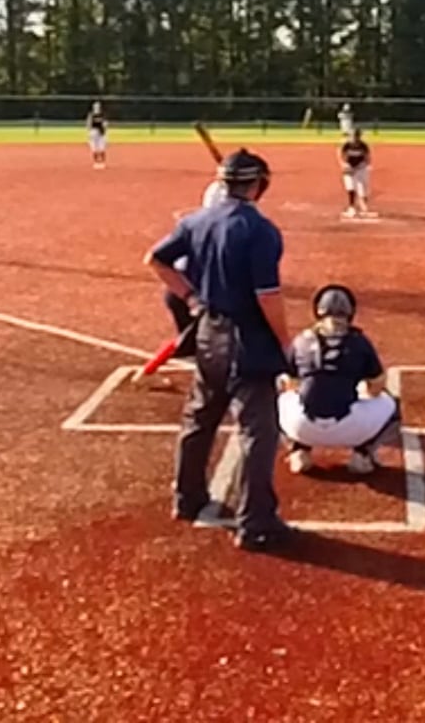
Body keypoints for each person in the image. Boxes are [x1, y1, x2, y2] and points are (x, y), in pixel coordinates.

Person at [145, 149, 295, 551]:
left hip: (208, 332)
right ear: (258, 184)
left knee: (199, 418)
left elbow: (156, 260)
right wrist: (284, 342)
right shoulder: (260, 230)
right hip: (249, 338)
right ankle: (256, 522)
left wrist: (192, 298)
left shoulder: (195, 221)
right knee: (258, 431)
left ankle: (187, 498)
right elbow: (267, 295)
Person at [279, 285, 400, 476]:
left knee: (273, 395)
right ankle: (363, 454)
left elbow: (290, 384)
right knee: (393, 406)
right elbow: (376, 387)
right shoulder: (359, 342)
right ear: (350, 313)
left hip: (302, 426)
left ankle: (298, 450)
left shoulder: (301, 340)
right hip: (351, 427)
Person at [164, 173, 232, 358]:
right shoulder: (235, 228)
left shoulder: (193, 224)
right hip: (195, 286)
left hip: (185, 287)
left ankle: (192, 345)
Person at [339, 128, 373, 219]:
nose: (354, 138)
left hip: (361, 168)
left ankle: (363, 208)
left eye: (356, 136)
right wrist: (344, 165)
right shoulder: (346, 145)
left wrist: (358, 168)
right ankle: (352, 208)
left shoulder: (363, 146)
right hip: (349, 167)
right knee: (350, 187)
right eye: (352, 136)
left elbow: (367, 159)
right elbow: (341, 155)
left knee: (362, 187)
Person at [86, 101, 109, 169]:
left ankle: (103, 162)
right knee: (94, 149)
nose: (97, 108)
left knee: (102, 148)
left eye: (98, 107)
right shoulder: (91, 115)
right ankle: (96, 162)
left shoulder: (102, 115)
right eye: (95, 107)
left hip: (101, 133)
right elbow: (88, 124)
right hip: (94, 132)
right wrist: (89, 132)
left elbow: (105, 124)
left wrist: (105, 129)